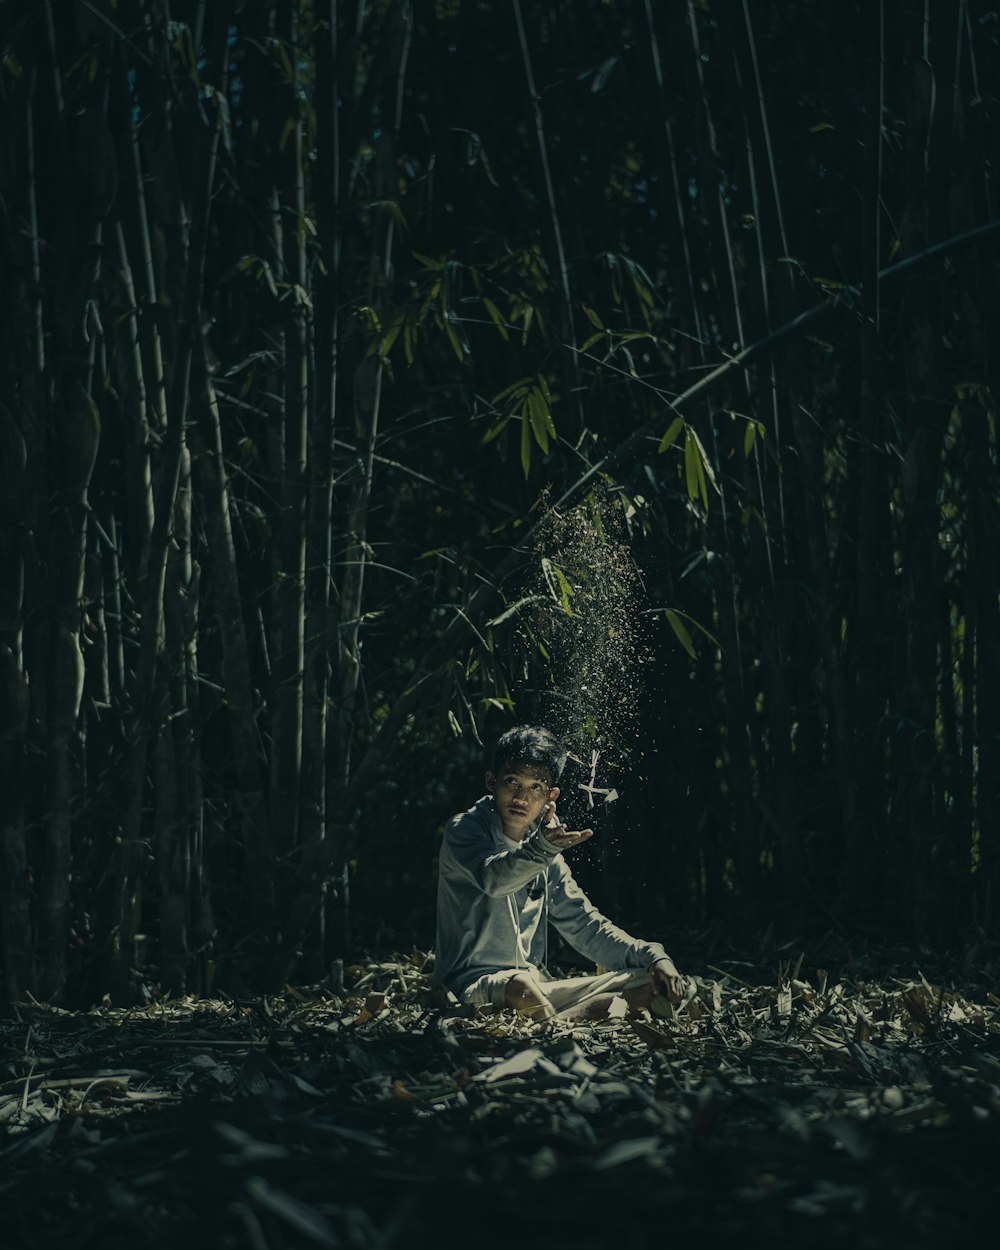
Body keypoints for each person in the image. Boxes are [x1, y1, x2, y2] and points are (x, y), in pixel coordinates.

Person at [434, 725, 685, 1020]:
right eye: (512, 781)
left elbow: (586, 926)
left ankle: (561, 1019)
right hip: (469, 985)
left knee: (655, 982)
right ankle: (567, 1024)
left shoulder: (543, 852)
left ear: (550, 795)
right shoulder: (464, 830)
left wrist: (654, 955)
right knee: (522, 987)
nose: (521, 797)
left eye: (535, 787)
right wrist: (542, 849)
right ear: (492, 781)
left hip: (535, 987)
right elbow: (494, 879)